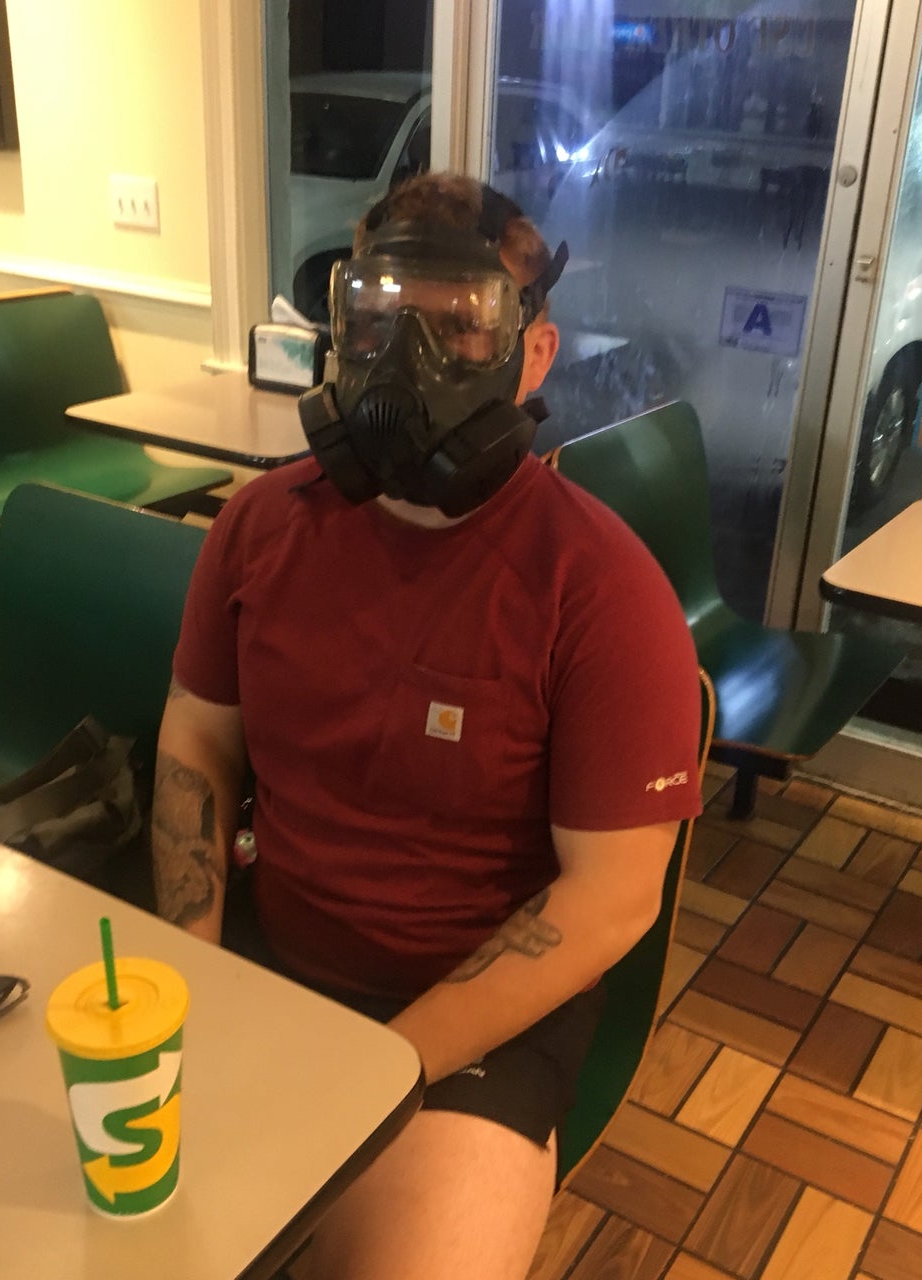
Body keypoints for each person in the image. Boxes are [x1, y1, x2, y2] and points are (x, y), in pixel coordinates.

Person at [152, 172, 703, 1280]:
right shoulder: (258, 527)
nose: (407, 359)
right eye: (376, 317)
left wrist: (383, 1063)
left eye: (460, 326)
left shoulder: (601, 589)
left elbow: (611, 898)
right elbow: (197, 740)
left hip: (474, 1022)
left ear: (533, 353)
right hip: (265, 958)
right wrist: (191, 974)